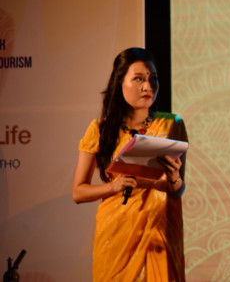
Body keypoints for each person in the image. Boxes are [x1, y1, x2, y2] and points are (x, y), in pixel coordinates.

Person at [72, 47, 188, 282]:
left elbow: (177, 191)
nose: (147, 87)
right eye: (138, 79)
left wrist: (175, 178)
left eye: (153, 79)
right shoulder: (99, 129)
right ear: (120, 82)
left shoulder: (172, 125)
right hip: (116, 235)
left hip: (160, 231)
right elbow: (78, 192)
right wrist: (113, 187)